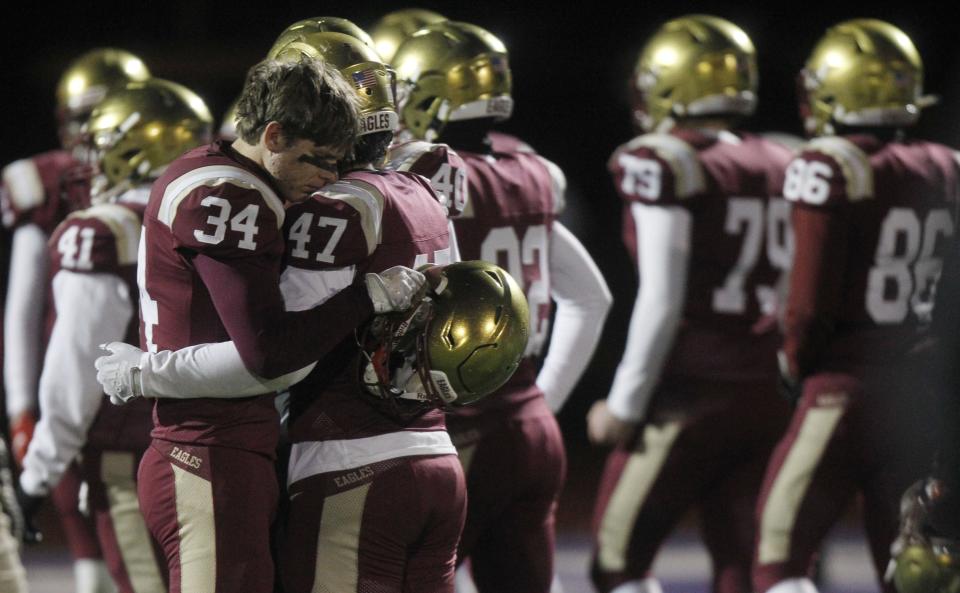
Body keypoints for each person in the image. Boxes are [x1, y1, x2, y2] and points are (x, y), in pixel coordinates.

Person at [95, 56, 424, 593]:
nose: (329, 179)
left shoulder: (221, 172)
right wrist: (366, 297)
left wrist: (152, 373)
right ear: (273, 134)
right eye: (318, 159)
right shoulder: (230, 196)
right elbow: (269, 354)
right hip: (206, 452)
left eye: (340, 164)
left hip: (225, 447)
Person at [392, 21, 612, 593]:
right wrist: (545, 400)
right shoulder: (533, 171)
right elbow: (592, 296)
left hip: (461, 423)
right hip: (531, 423)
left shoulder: (422, 170)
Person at [585, 15, 794, 593]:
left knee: (617, 562)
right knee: (748, 565)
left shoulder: (666, 160)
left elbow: (662, 297)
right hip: (765, 388)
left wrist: (625, 403)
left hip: (689, 394)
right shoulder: (780, 159)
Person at [752, 19, 960, 593]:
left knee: (778, 557)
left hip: (843, 386)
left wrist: (795, 362)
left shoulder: (831, 164)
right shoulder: (946, 165)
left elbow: (808, 302)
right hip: (920, 394)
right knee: (910, 568)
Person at [18, 77, 213, 593]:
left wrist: (37, 474)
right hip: (227, 446)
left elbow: (76, 371)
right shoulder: (221, 216)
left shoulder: (104, 230)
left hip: (131, 452)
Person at [1, 47, 151, 593]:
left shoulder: (175, 186)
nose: (97, 132)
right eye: (86, 116)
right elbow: (22, 308)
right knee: (96, 561)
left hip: (143, 399)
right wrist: (23, 410)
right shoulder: (54, 185)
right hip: (77, 389)